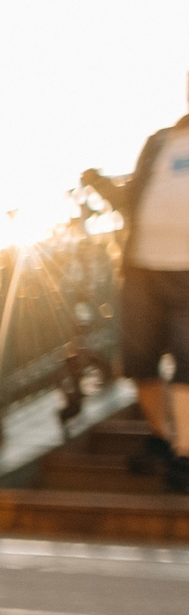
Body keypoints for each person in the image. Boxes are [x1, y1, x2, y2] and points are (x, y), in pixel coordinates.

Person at [114, 75, 189, 491]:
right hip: (142, 267)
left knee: (188, 361)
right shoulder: (161, 141)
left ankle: (185, 454)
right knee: (139, 361)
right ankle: (163, 438)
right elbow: (135, 196)